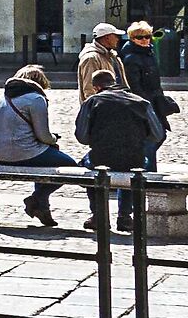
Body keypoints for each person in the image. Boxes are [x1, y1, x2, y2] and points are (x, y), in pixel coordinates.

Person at [0, 63, 84, 227]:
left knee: (46, 157)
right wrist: (54, 139)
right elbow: (43, 136)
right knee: (71, 167)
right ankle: (37, 198)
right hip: (22, 152)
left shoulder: (4, 97)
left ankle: (43, 207)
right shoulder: (36, 99)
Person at [76, 68, 164, 229]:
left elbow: (82, 136)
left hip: (100, 158)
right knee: (132, 168)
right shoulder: (141, 102)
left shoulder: (92, 102)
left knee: (86, 166)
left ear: (96, 87)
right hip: (134, 157)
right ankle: (124, 216)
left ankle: (98, 215)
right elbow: (157, 134)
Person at [119, 22, 177, 229]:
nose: (145, 40)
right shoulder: (132, 58)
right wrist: (148, 106)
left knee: (158, 137)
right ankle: (146, 184)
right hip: (144, 108)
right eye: (140, 37)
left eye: (147, 37)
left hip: (154, 104)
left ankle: (145, 178)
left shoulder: (148, 53)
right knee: (149, 143)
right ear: (132, 38)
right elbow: (135, 87)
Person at [77, 23, 125, 102]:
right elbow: (89, 89)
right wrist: (96, 109)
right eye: (115, 36)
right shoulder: (91, 58)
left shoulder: (112, 56)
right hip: (103, 107)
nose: (118, 39)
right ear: (107, 37)